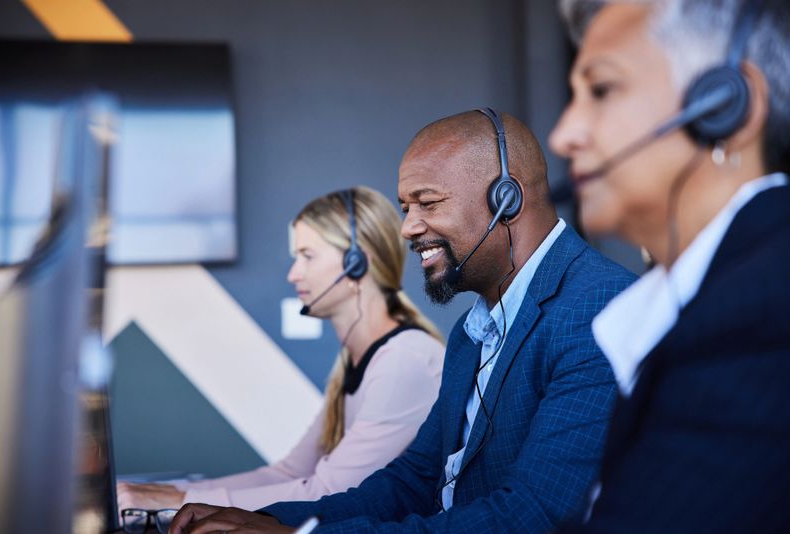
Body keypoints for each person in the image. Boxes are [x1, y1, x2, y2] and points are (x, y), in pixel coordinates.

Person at [168, 109, 636, 533]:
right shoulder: (471, 334)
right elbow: (413, 481)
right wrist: (266, 520)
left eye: (428, 203)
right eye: (406, 207)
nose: (408, 226)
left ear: (506, 199)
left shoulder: (595, 311)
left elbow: (533, 516)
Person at [548, 0, 790, 531]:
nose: (564, 134)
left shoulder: (762, 319)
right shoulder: (722, 300)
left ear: (725, 104)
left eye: (602, 90)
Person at [118, 186, 445, 512]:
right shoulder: (356, 360)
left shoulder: (405, 361)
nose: (293, 274)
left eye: (307, 256)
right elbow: (290, 473)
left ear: (356, 263)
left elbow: (330, 491)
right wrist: (167, 493)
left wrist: (178, 501)